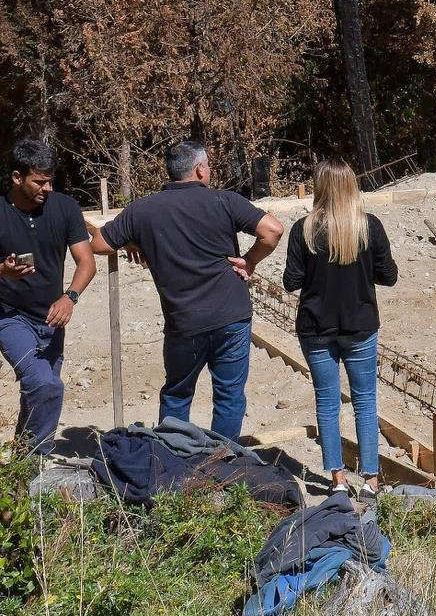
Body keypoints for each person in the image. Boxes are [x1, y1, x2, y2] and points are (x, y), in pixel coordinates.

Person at [89, 141, 283, 440]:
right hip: (231, 314)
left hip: (184, 320)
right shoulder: (224, 201)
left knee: (177, 394)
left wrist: (131, 240)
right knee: (229, 395)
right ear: (200, 169)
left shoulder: (142, 210)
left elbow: (99, 244)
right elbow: (273, 230)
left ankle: (174, 456)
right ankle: (222, 459)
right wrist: (250, 260)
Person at [283, 159, 397, 498]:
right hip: (360, 325)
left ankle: (337, 480)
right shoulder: (368, 227)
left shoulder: (303, 230)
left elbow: (291, 281)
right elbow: (389, 276)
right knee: (365, 402)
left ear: (319, 187)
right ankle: (371, 480)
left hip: (316, 327)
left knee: (327, 402)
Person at [0, 139, 96, 455]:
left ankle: (21, 465)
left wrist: (70, 297)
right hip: (9, 316)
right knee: (45, 385)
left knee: (40, 392)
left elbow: (87, 261)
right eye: (39, 182)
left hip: (52, 319)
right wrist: (4, 271)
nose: (47, 188)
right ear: (17, 177)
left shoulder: (64, 207)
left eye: (50, 181)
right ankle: (34, 463)